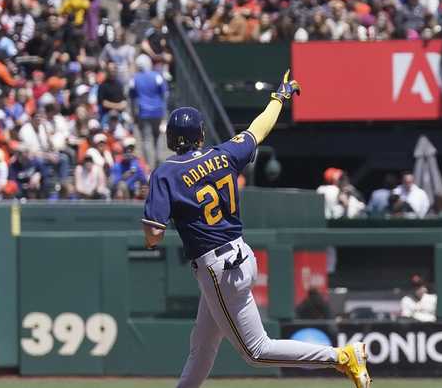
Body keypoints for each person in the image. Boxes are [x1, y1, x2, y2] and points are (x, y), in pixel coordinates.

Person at [141, 71, 370, 388]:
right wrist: (280, 97)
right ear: (199, 135)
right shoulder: (223, 154)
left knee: (256, 351)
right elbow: (257, 129)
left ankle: (341, 357)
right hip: (239, 254)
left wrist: (160, 214)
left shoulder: (166, 174)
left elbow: (152, 236)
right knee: (203, 345)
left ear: (170, 138)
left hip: (218, 268)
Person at [129, 54, 169, 165]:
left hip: (143, 112)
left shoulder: (135, 78)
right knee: (158, 136)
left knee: (146, 139)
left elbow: (132, 98)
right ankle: (158, 159)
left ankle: (149, 165)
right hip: (158, 111)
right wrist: (164, 112)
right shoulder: (157, 76)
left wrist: (133, 113)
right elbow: (164, 94)